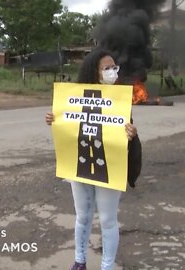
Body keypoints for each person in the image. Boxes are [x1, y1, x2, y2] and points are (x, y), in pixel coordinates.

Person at [45, 49, 138, 270]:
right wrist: (54, 118)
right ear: (93, 72)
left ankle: (107, 266)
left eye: (114, 67)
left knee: (107, 220)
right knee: (83, 216)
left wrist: (131, 134)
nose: (113, 72)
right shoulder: (74, 99)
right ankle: (79, 261)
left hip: (110, 165)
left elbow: (126, 134)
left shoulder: (120, 101)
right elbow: (68, 122)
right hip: (80, 164)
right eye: (107, 68)